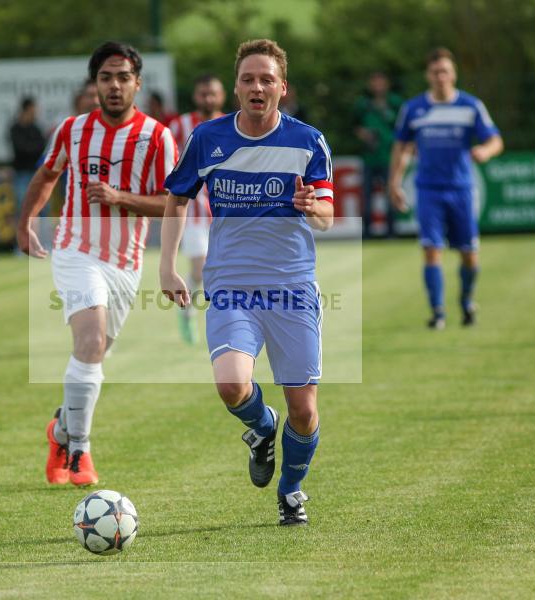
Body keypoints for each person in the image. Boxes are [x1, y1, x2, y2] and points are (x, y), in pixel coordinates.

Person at [160, 39, 334, 526]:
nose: (256, 86)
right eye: (247, 79)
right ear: (236, 88)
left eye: (266, 79)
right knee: (231, 383)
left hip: (291, 288)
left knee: (304, 409)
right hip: (232, 285)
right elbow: (177, 199)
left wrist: (312, 206)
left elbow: (327, 212)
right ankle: (261, 428)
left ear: (282, 87)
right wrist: (167, 265)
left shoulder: (307, 140)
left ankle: (291, 489)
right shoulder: (207, 138)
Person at [17, 42, 176, 486]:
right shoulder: (72, 129)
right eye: (105, 77)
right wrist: (24, 222)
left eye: (123, 76)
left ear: (137, 84)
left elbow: (171, 204)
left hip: (125, 264)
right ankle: (79, 452)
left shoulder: (157, 137)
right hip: (76, 251)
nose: (114, 85)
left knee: (96, 352)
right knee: (89, 344)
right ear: (94, 84)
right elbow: (47, 175)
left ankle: (60, 430)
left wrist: (120, 198)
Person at [388, 47, 503, 329]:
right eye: (436, 72)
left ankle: (466, 300)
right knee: (431, 250)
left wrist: (485, 152)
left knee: (469, 254)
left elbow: (495, 140)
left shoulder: (470, 106)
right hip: (428, 189)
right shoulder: (414, 109)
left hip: (461, 189)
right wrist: (395, 181)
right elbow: (402, 147)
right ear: (428, 75)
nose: (441, 77)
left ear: (454, 74)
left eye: (446, 71)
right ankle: (438, 312)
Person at [166, 74, 226, 345]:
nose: (208, 99)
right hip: (191, 211)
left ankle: (227, 320)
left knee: (224, 270)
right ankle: (188, 311)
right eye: (203, 94)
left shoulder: (233, 125)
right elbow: (169, 162)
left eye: (212, 93)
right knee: (201, 269)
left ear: (222, 95)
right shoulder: (180, 126)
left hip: (226, 211)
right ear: (195, 96)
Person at [353, 72, 402, 238]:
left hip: (389, 156)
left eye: (381, 82)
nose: (378, 86)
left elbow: (402, 128)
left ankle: (391, 232)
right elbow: (355, 125)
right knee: (366, 196)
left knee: (390, 194)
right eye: (374, 82)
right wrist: (363, 134)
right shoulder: (363, 104)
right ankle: (367, 232)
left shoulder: (394, 102)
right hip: (370, 157)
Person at [9, 97, 47, 249]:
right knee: (23, 208)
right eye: (33, 110)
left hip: (37, 173)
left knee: (43, 208)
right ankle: (22, 245)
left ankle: (43, 244)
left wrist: (32, 150)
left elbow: (41, 148)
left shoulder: (36, 128)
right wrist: (33, 150)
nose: (35, 113)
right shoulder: (15, 129)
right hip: (21, 174)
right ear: (26, 110)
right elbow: (22, 149)